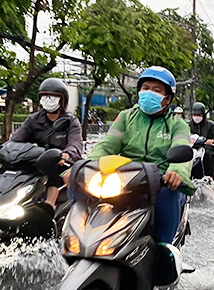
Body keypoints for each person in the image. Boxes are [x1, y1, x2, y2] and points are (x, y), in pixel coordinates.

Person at [83, 66, 195, 244]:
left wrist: (176, 173)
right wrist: (85, 167)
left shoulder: (178, 124)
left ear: (167, 98)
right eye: (145, 88)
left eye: (156, 90)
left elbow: (182, 151)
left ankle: (165, 247)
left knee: (168, 195)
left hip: (161, 182)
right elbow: (106, 146)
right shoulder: (126, 117)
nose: (149, 93)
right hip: (126, 179)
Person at [0, 78, 83, 206]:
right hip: (36, 161)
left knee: (56, 169)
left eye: (53, 97)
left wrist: (66, 154)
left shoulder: (71, 122)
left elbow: (75, 144)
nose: (48, 100)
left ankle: (49, 206)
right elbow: (16, 140)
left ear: (62, 100)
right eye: (45, 96)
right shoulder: (33, 120)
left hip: (61, 163)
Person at [189, 102, 214, 180]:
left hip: (206, 151)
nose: (196, 117)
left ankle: (210, 176)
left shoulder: (211, 126)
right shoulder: (188, 125)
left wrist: (211, 142)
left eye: (199, 115)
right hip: (192, 151)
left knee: (209, 156)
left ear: (203, 115)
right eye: (194, 115)